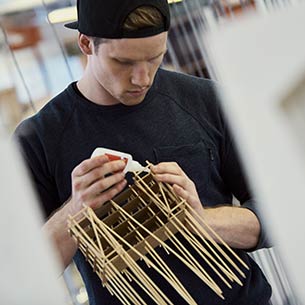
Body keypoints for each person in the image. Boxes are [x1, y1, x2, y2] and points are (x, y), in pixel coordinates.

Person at [14, 0, 272, 304]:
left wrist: (202, 220)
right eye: (123, 62)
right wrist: (75, 210)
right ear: (86, 43)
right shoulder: (40, 138)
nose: (143, 78)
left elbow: (273, 217)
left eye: (154, 58)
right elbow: (23, 275)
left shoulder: (205, 100)